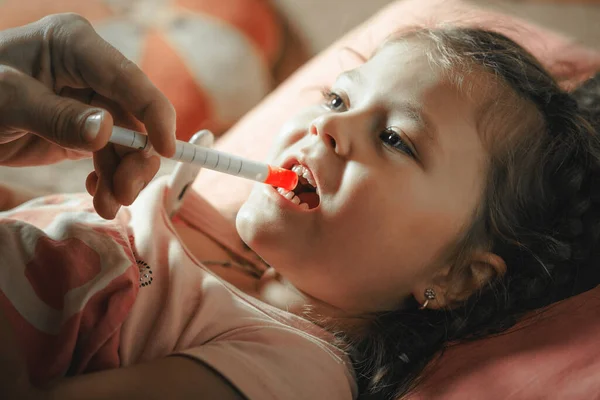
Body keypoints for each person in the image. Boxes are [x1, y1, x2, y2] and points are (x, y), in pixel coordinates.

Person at [0, 13, 599, 400]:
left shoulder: (293, 372)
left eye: (395, 138)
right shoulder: (185, 209)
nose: (330, 124)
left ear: (457, 274)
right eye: (339, 96)